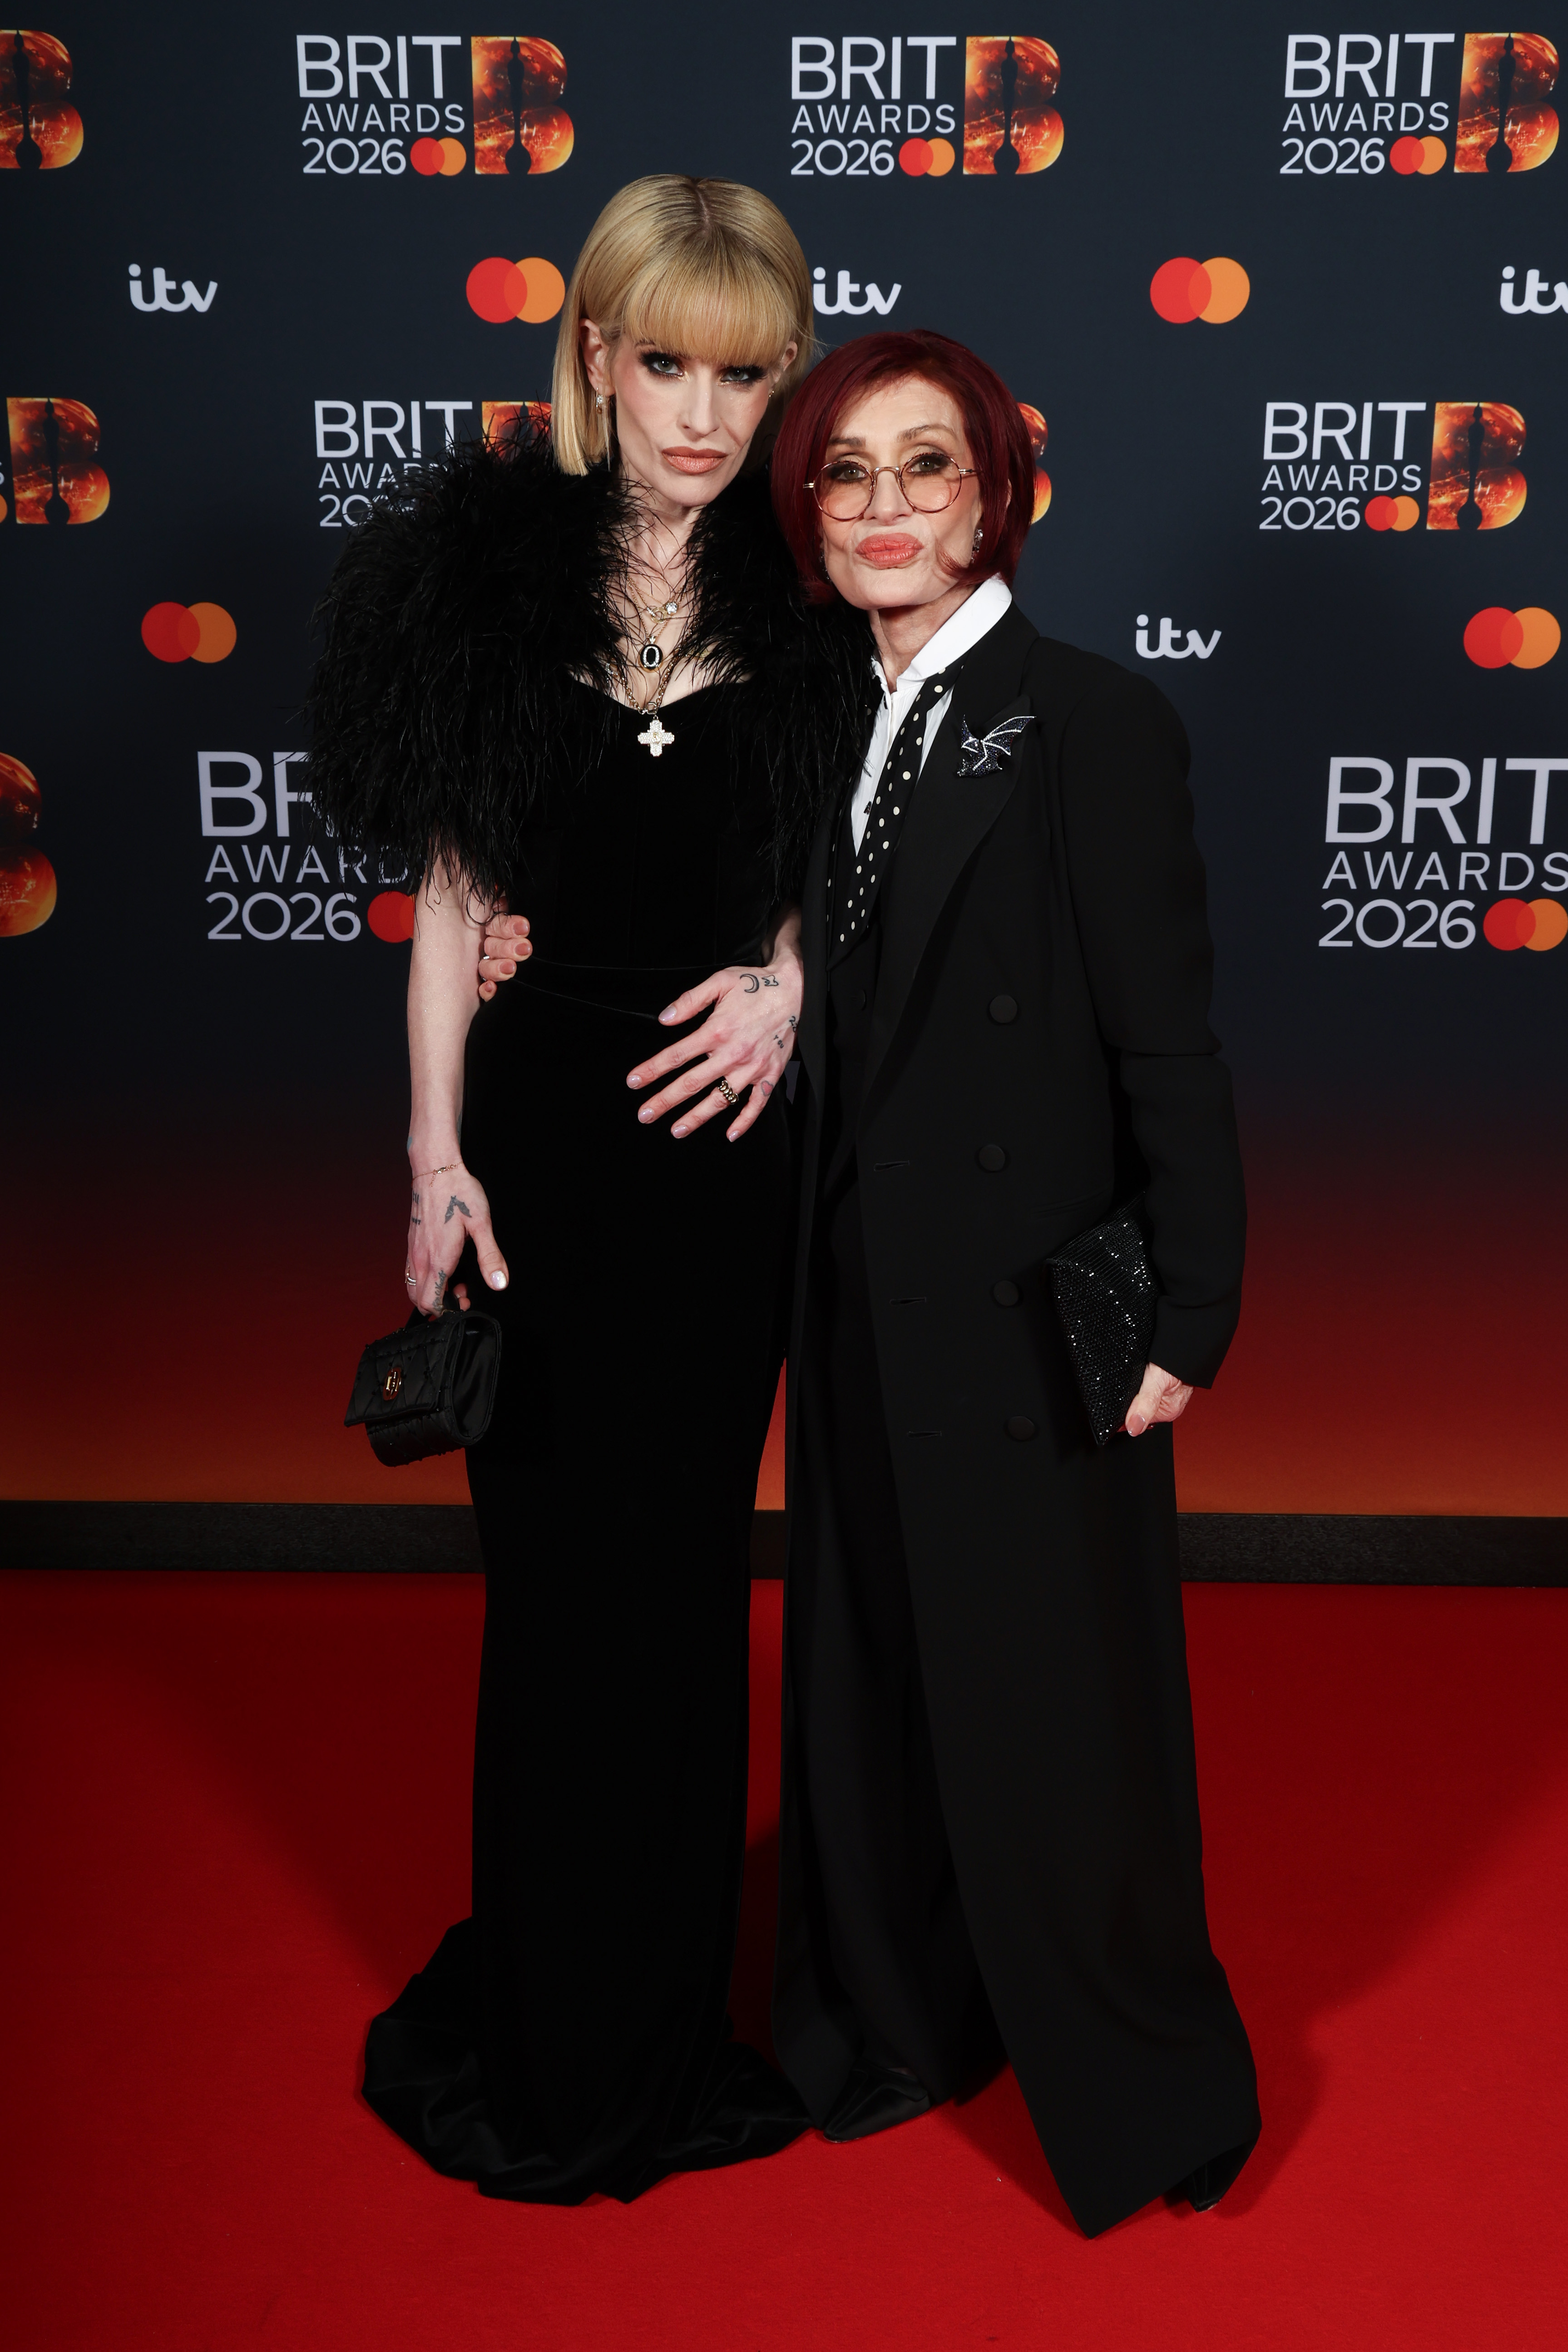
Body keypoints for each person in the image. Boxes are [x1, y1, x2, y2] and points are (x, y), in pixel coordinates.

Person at [304, 176, 866, 2205]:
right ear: (597, 359)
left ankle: (651, 2027)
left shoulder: (819, 595)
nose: (706, 416)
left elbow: (847, 883)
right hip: (533, 1162)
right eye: (670, 366)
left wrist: (792, 989)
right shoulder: (482, 583)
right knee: (550, 1604)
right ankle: (548, 2023)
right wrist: (435, 1157)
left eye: (748, 371)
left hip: (720, 1170)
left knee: (680, 1593)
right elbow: (454, 904)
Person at [763, 330, 1261, 2237]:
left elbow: (1169, 1046)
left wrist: (1194, 1308)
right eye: (850, 476)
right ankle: (901, 2013)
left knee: (1070, 1704)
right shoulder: (834, 715)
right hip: (860, 1298)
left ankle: (1150, 2074)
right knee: (877, 1674)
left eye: (929, 469)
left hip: (1040, 1312)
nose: (888, 508)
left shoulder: (1093, 720)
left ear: (996, 494)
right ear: (812, 514)